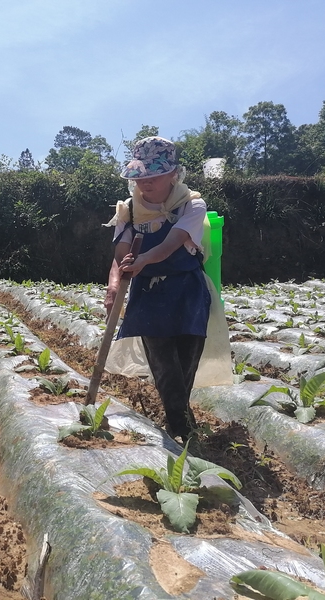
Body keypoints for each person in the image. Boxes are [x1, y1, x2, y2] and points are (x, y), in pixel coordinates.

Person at [104, 137, 211, 443]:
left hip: (187, 290)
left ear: (173, 174)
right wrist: (119, 272)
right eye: (140, 177)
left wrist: (142, 259)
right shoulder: (128, 211)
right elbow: (121, 247)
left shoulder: (191, 204)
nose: (145, 183)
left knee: (186, 360)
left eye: (153, 176)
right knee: (164, 363)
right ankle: (181, 431)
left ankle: (180, 419)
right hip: (149, 293)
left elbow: (170, 245)